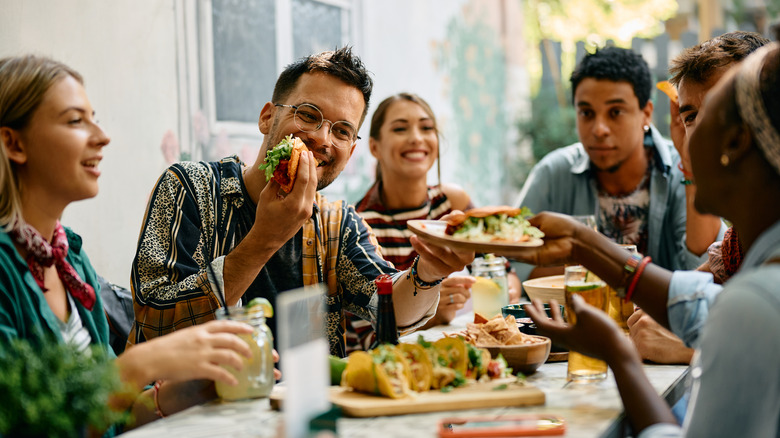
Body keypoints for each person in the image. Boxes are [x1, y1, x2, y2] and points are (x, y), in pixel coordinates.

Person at [129, 48, 473, 358]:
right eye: (308, 115)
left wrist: (429, 272)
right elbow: (157, 325)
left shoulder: (337, 223)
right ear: (267, 117)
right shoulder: (190, 186)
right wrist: (265, 238)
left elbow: (390, 308)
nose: (322, 139)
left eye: (341, 131)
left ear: (351, 151)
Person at [0, 55, 277, 432]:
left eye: (94, 117)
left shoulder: (70, 261)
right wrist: (140, 363)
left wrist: (187, 389)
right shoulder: (6, 271)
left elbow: (100, 419)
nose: (102, 136)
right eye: (75, 120)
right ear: (12, 143)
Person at [520, 39, 780, 437]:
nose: (681, 138)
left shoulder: (756, 303)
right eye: (686, 115)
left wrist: (618, 355)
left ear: (736, 140)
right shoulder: (746, 253)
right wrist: (583, 244)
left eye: (702, 117)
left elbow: (727, 314)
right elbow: (702, 302)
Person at [513, 46, 723, 284]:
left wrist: (691, 168)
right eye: (586, 113)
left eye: (615, 112)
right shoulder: (553, 173)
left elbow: (703, 273)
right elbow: (514, 265)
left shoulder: (681, 171)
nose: (599, 129)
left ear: (646, 113)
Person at [628, 31, 770, 365]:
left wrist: (695, 347)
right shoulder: (740, 240)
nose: (702, 133)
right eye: (691, 117)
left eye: (725, 107)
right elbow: (691, 287)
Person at [342, 93, 522, 351]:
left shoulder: (453, 203)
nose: (416, 138)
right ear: (374, 147)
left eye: (426, 128)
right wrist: (432, 310)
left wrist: (502, 292)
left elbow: (503, 270)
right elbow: (367, 342)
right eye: (400, 128)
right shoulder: (360, 223)